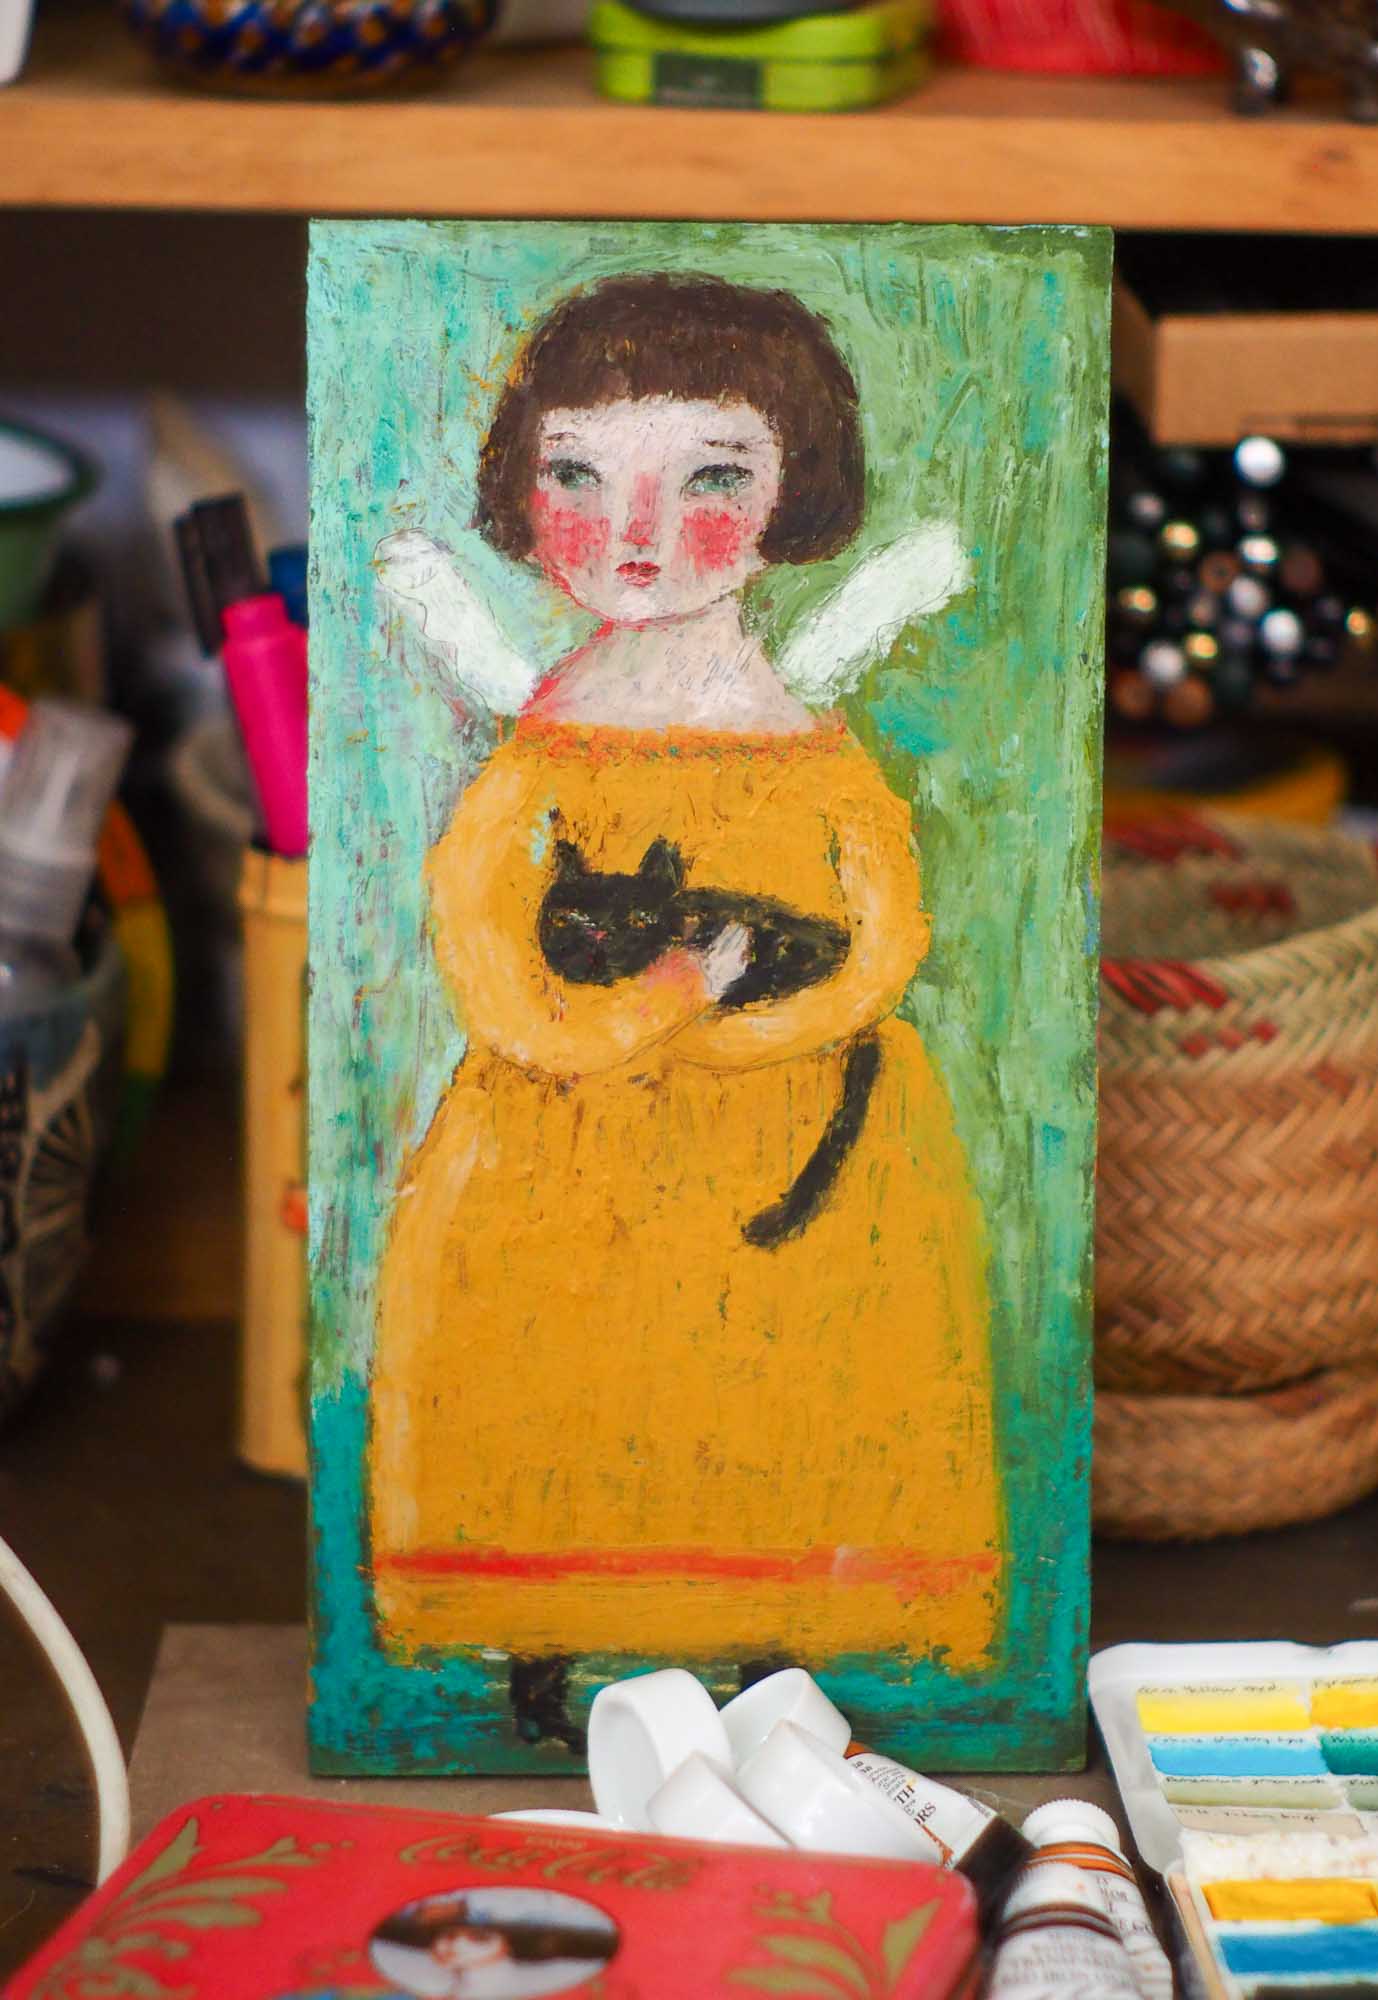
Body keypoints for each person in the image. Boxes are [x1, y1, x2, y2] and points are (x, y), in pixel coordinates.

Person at [370, 272, 1002, 1680]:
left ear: (794, 493)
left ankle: (784, 1646)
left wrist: (738, 1032)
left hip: (805, 1166)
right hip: (562, 1168)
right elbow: (494, 973)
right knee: (575, 1397)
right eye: (578, 476)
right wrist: (659, 1008)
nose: (636, 532)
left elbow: (881, 941)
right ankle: (553, 1644)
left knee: (791, 1397)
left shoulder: (808, 747)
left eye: (709, 476)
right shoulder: (540, 760)